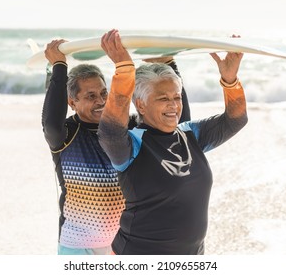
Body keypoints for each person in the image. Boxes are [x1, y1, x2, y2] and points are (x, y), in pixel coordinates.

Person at [98, 29, 248, 255]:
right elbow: (109, 131)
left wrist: (230, 80)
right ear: (141, 105)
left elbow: (236, 119)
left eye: (177, 97)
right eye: (163, 99)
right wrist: (124, 71)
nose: (174, 106)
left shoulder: (191, 134)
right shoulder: (132, 146)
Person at [41, 39, 191, 255]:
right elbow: (50, 122)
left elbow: (176, 122)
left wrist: (169, 65)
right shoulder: (67, 134)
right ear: (72, 102)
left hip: (125, 243)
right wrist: (59, 66)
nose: (101, 101)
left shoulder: (127, 127)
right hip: (78, 245)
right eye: (90, 96)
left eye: (104, 93)